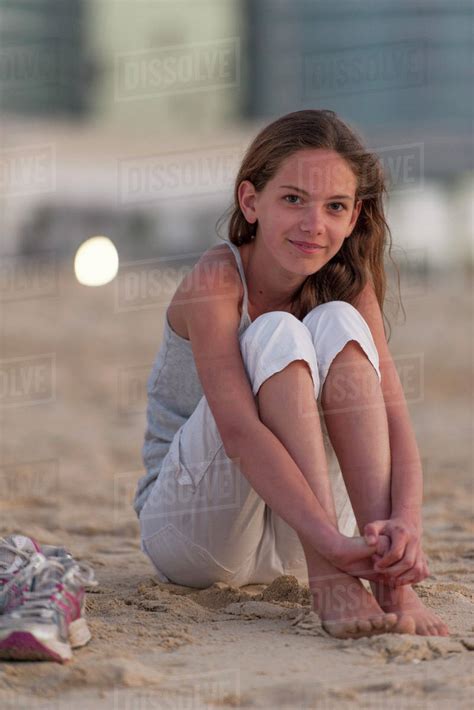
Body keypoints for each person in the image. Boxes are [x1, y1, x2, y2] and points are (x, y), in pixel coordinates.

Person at [134, 109, 449, 639]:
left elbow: (397, 424)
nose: (314, 224)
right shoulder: (217, 278)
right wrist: (327, 548)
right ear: (250, 201)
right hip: (195, 530)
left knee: (339, 320)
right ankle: (330, 576)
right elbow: (238, 432)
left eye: (335, 207)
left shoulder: (348, 284)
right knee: (277, 332)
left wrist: (405, 527)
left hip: (303, 532)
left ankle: (391, 583)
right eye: (293, 199)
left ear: (353, 218)